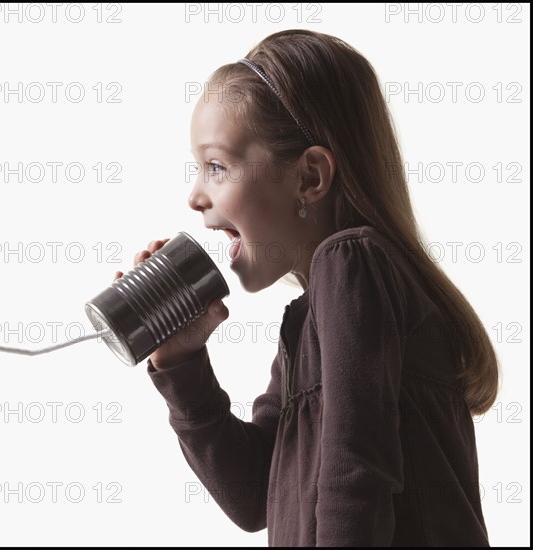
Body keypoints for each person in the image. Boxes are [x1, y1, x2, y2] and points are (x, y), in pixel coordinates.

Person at [118, 30, 499, 546]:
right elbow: (255, 496)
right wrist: (181, 363)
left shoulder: (350, 264)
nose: (194, 196)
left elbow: (356, 476)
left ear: (310, 178)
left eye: (217, 166)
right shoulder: (312, 320)